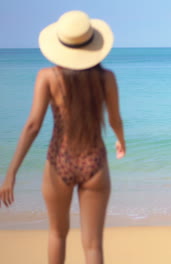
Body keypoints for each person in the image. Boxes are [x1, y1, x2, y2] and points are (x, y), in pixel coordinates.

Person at [0, 10, 125, 264]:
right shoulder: (106, 78)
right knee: (92, 246)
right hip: (95, 162)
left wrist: (11, 171)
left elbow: (33, 125)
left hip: (59, 162)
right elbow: (114, 120)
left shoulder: (47, 77)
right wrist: (121, 141)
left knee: (57, 234)